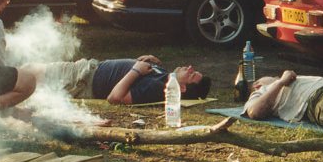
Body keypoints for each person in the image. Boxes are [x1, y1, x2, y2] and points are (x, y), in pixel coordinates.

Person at [32, 55, 211, 105]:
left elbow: (115, 97)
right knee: (28, 72)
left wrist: (135, 70)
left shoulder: (158, 88)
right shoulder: (164, 75)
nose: (190, 68)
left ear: (183, 88)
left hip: (82, 80)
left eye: (192, 75)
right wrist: (143, 61)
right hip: (88, 68)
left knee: (28, 74)